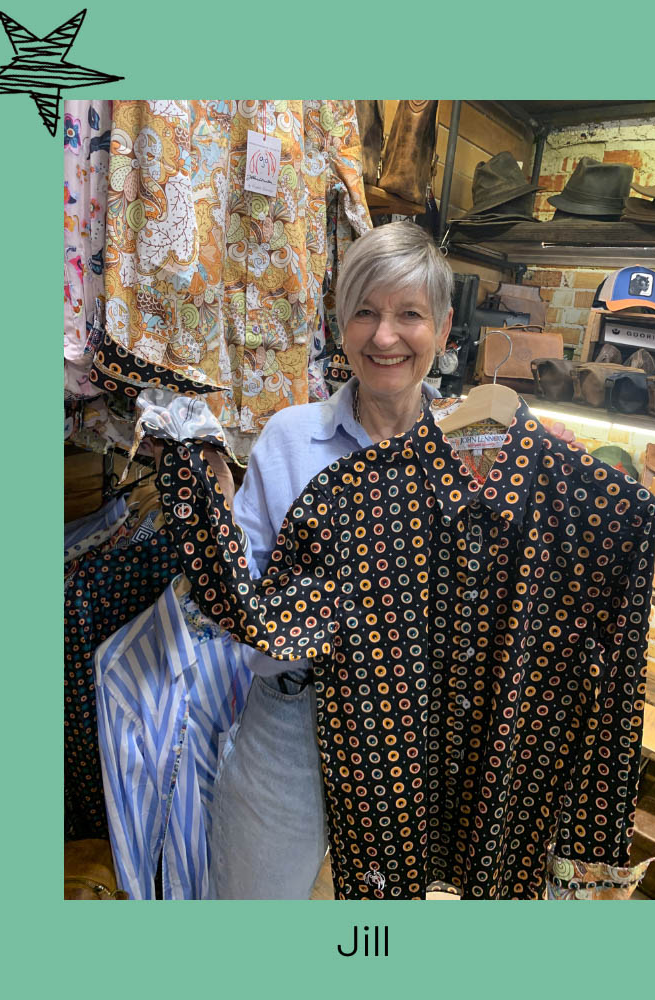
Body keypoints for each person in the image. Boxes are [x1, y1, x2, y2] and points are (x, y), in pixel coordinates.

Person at [186, 220, 571, 898]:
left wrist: (549, 467)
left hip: (417, 732)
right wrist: (208, 511)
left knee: (390, 915)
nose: (384, 336)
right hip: (291, 723)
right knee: (250, 904)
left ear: (445, 330)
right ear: (341, 325)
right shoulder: (289, 439)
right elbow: (234, 602)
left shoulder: (478, 444)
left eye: (409, 315)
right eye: (365, 312)